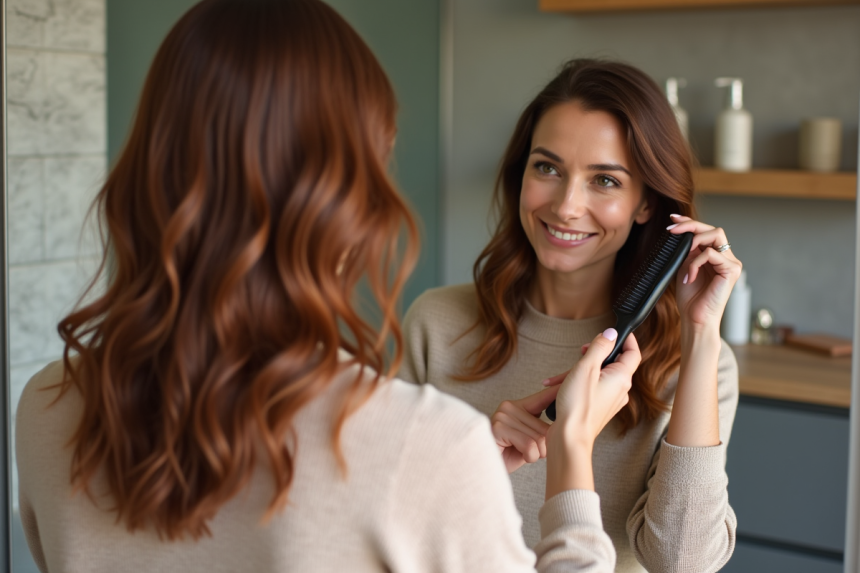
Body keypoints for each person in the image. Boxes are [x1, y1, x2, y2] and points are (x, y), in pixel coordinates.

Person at [15, 3, 637, 572]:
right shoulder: (425, 444)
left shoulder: (47, 408)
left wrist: (450, 488)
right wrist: (570, 451)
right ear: (344, 201)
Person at [401, 59, 742, 573]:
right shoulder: (438, 324)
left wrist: (699, 337)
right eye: (547, 168)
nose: (565, 206)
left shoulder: (696, 363)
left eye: (604, 180)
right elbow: (379, 513)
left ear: (646, 202)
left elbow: (683, 562)